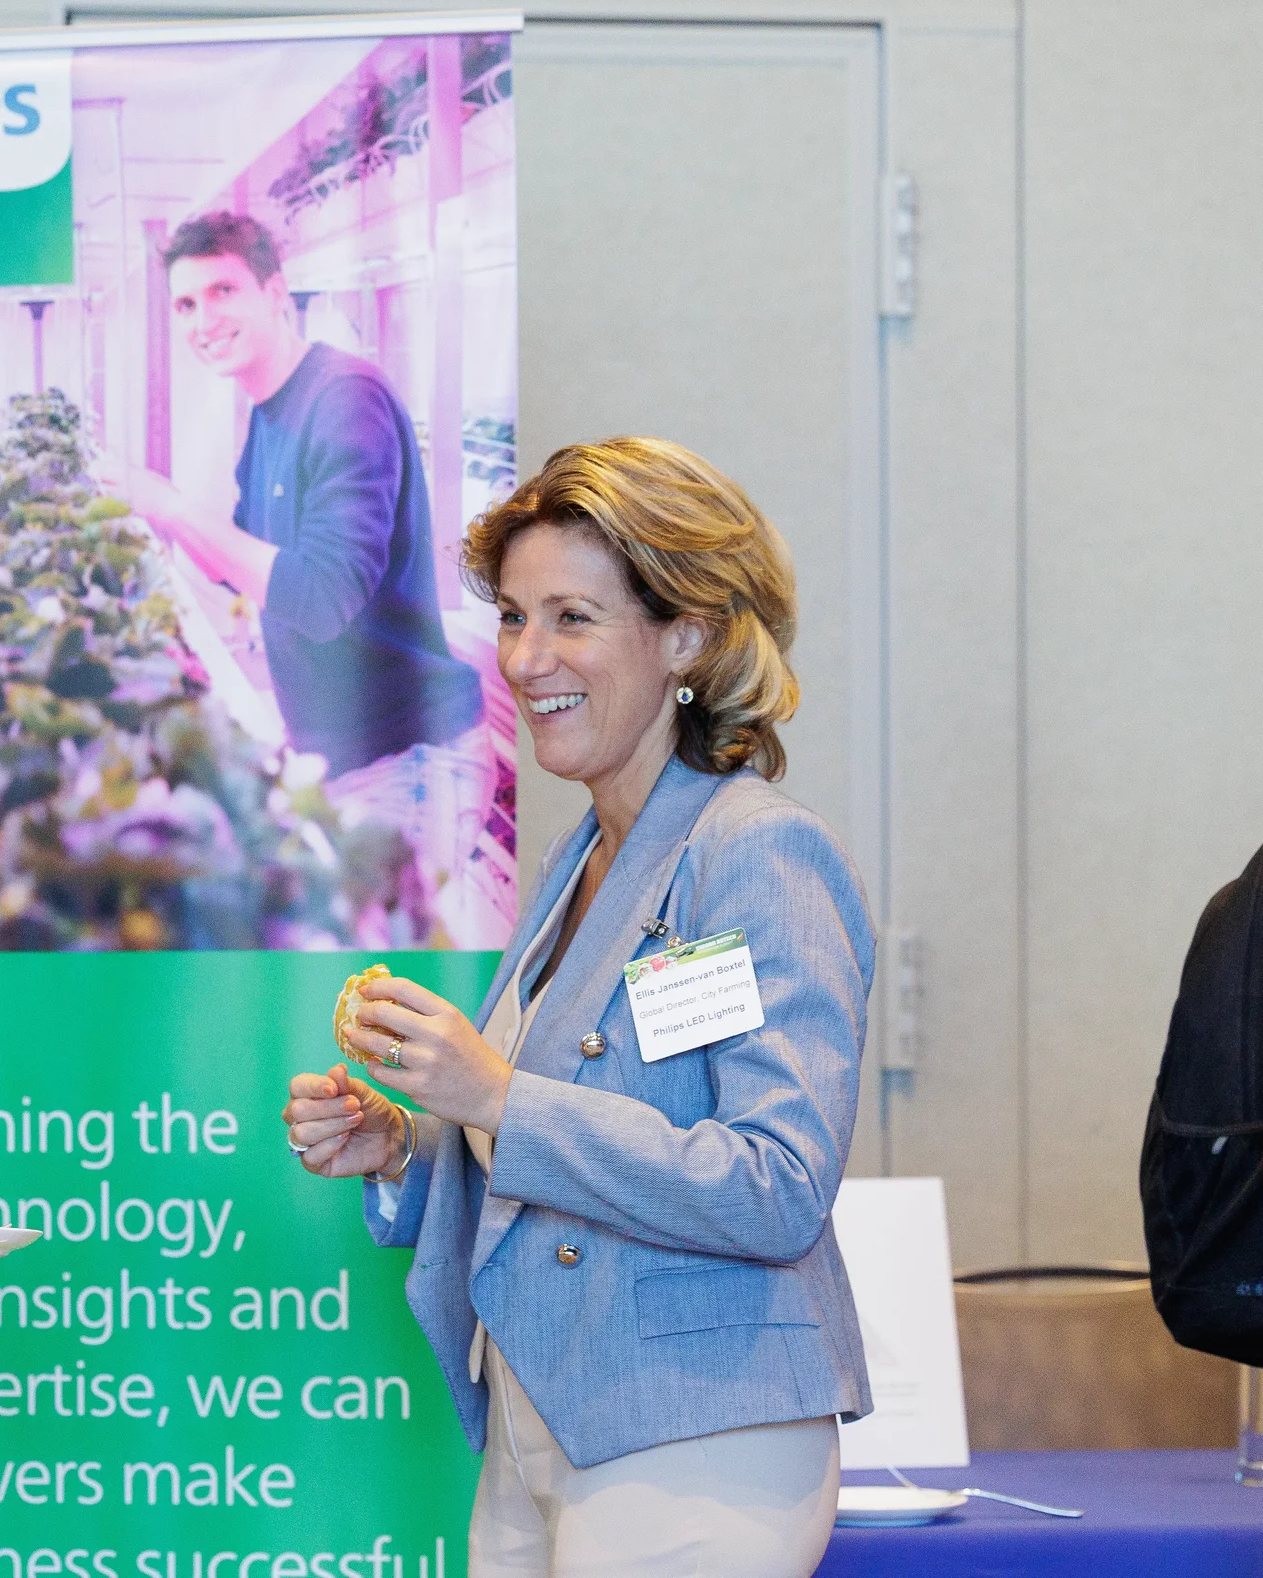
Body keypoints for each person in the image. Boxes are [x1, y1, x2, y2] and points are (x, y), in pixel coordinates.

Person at [281, 439, 873, 1577]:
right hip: (537, 1417)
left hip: (694, 1433)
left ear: (687, 635)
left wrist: (493, 1091)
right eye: (511, 616)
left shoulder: (755, 853)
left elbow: (775, 1183)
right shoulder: (580, 858)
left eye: (571, 616)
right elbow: (578, 1129)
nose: (525, 657)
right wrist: (406, 1142)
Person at [123, 210, 487, 909]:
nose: (204, 319)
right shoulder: (269, 412)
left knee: (374, 988)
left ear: (275, 292)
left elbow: (321, 596)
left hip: (408, 759)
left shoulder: (345, 399)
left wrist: (168, 505)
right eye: (186, 304)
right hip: (347, 757)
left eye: (224, 291)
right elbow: (241, 561)